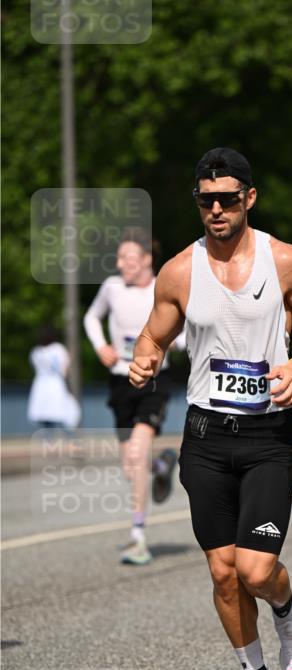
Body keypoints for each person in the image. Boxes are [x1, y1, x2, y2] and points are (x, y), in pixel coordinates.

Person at [128, 147, 292, 670]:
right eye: (205, 200)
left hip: (267, 435)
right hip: (204, 436)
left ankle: (289, 614)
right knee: (223, 571)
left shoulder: (285, 261)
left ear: (249, 197)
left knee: (254, 570)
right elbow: (153, 336)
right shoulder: (178, 271)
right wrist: (144, 360)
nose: (216, 209)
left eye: (226, 198)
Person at [84, 229, 182, 565]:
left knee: (137, 452)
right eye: (119, 257)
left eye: (129, 257)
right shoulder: (112, 288)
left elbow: (181, 327)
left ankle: (138, 537)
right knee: (131, 468)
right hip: (119, 381)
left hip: (154, 380)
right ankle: (162, 464)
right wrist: (101, 348)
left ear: (146, 260)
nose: (122, 263)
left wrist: (180, 342)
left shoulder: (162, 288)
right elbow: (91, 317)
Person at [27, 324, 80, 432]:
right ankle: (60, 438)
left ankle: (48, 438)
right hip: (55, 384)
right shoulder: (58, 349)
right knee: (60, 412)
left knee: (45, 414)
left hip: (40, 384)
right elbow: (64, 369)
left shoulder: (36, 351)